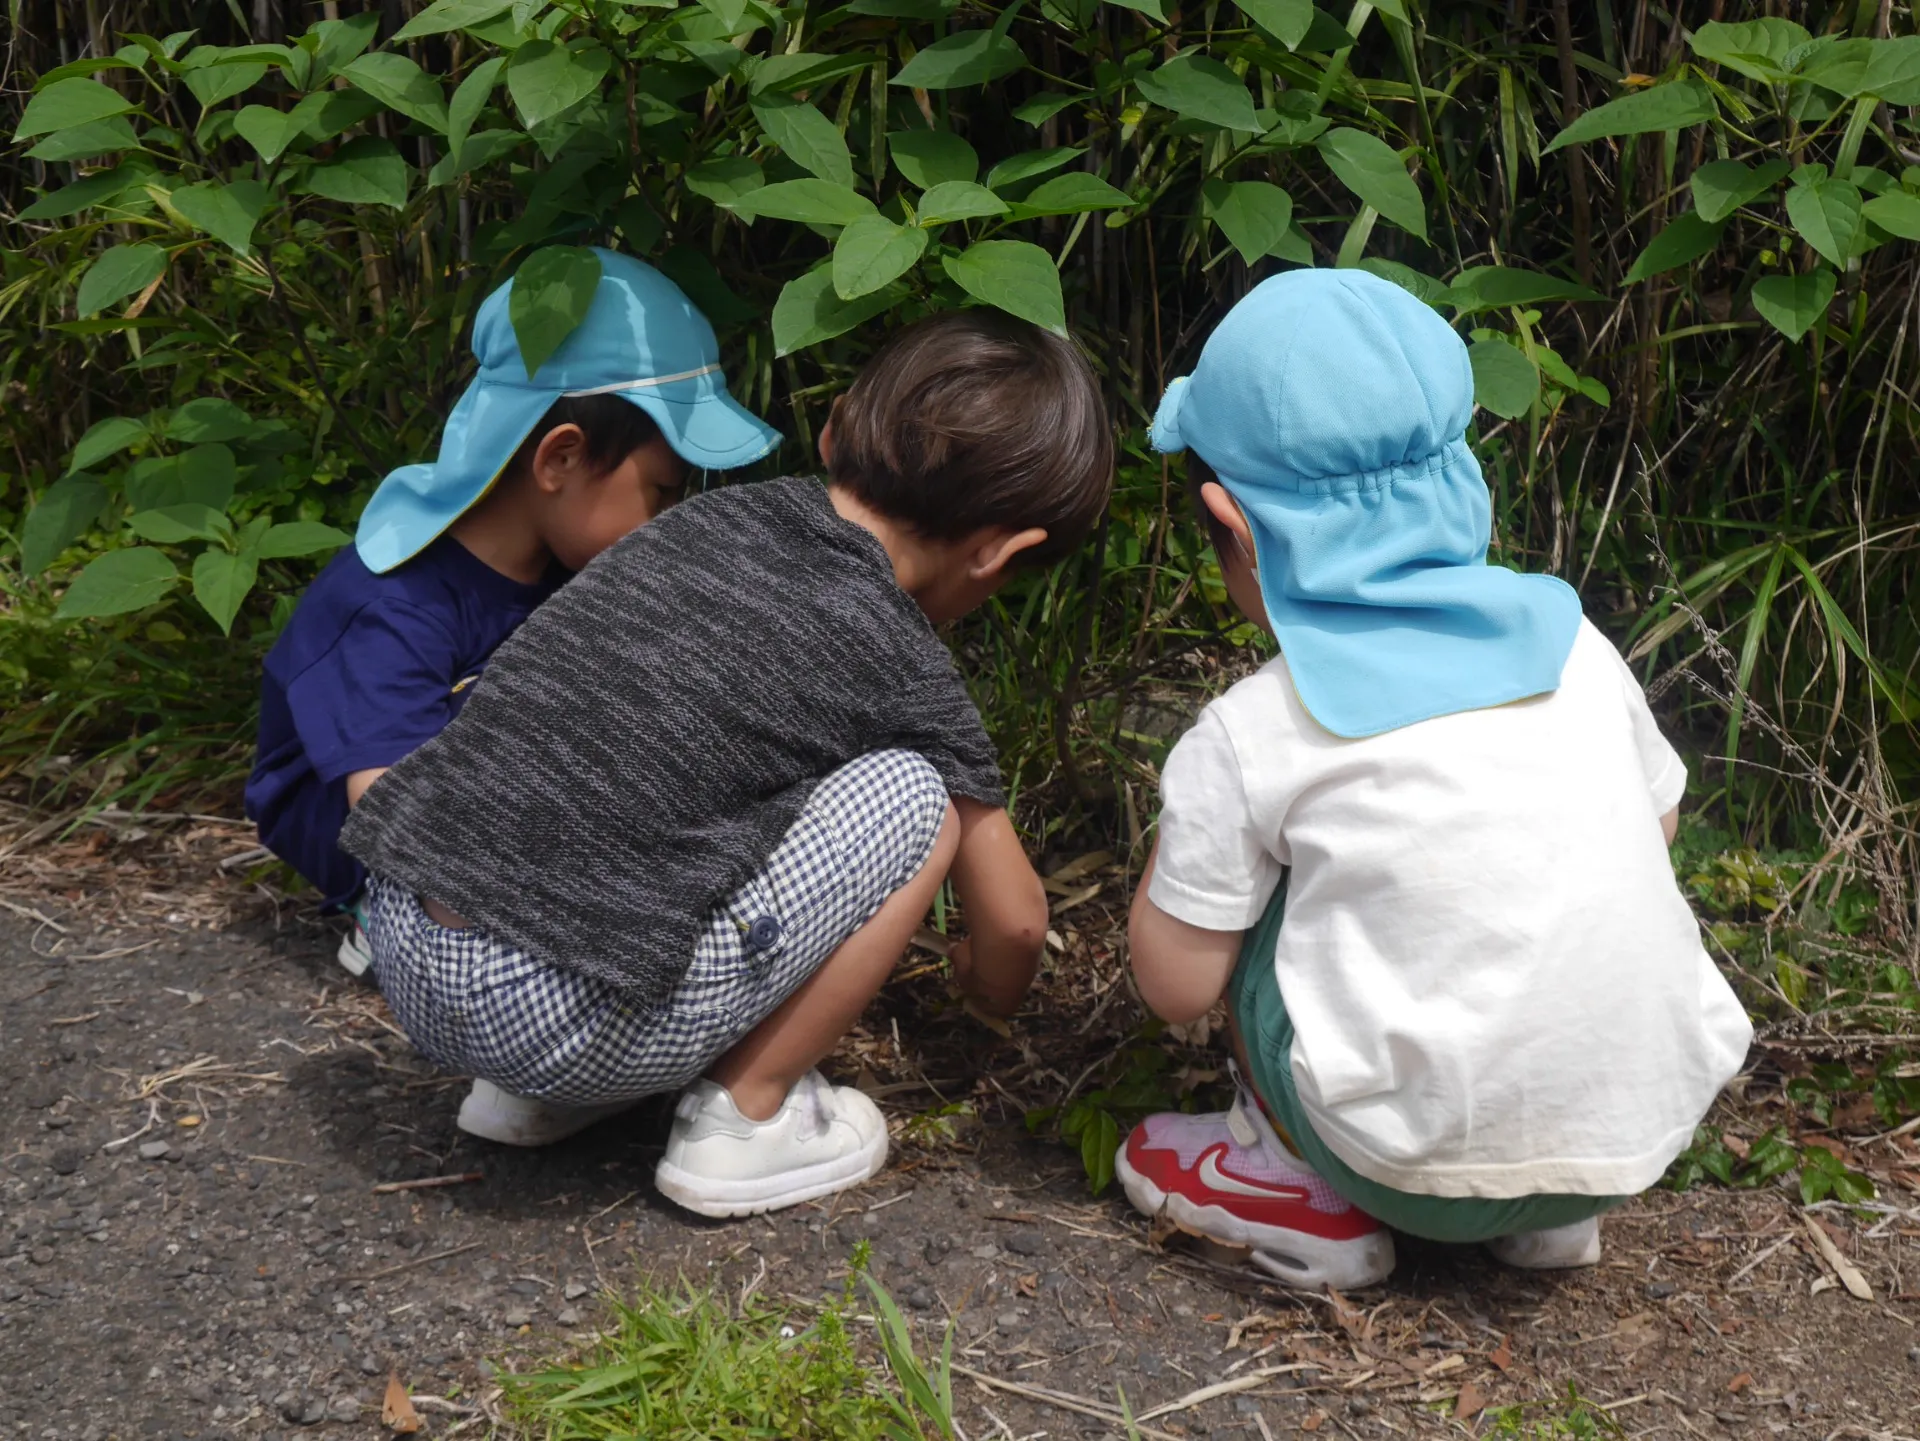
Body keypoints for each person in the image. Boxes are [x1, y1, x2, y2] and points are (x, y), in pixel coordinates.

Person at [336, 310, 1114, 1216]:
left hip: (405, 942)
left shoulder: (702, 520)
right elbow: (1016, 924)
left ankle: (535, 1096)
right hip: (544, 1012)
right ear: (1000, 554)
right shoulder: (896, 649)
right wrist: (984, 999)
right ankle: (745, 1119)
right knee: (914, 799)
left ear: (832, 429)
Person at [1116, 270, 1753, 1290]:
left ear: (1231, 526)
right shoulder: (1575, 643)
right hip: (1628, 1135)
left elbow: (1175, 984)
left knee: (1264, 895)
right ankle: (1549, 1213)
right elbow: (1659, 821)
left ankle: (1290, 1180)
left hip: (1397, 1162)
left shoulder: (1256, 728)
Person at [245, 251, 777, 977]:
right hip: (366, 814)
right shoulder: (393, 603)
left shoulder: (570, 561)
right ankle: (391, 917)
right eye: (660, 493)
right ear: (560, 459)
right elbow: (391, 801)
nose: (669, 521)